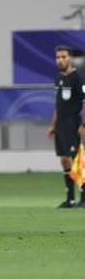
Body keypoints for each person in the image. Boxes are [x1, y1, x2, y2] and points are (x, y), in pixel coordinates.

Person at [47, 46, 85, 208]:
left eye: (63, 57)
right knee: (64, 160)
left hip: (73, 122)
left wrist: (83, 124)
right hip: (61, 124)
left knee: (76, 159)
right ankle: (70, 199)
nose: (60, 60)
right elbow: (58, 104)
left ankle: (83, 198)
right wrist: (52, 124)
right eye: (57, 57)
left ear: (70, 58)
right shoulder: (58, 78)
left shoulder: (78, 78)